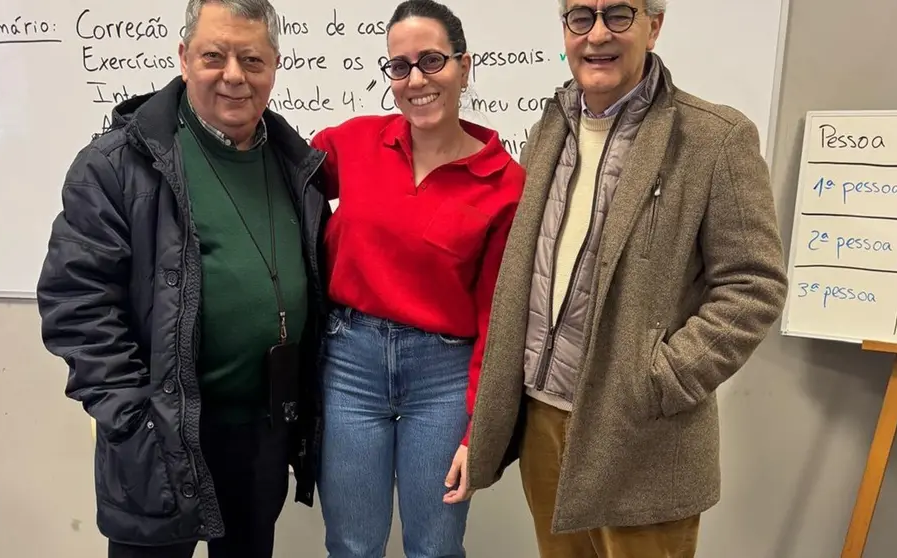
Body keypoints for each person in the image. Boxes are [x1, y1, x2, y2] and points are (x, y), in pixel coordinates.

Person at [466, 1, 789, 557]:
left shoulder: (714, 137)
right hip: (543, 418)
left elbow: (754, 283)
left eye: (618, 14)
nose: (597, 35)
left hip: (640, 433)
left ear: (653, 26)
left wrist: (660, 378)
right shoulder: (550, 130)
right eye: (581, 17)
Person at [35, 0, 330, 556]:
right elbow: (75, 304)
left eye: (252, 59)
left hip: (261, 436)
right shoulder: (117, 164)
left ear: (275, 64)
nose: (234, 76)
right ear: (184, 58)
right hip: (160, 437)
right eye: (214, 56)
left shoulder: (297, 164)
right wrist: (134, 420)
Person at [307, 1, 525, 556]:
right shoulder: (352, 143)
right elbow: (272, 177)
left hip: (443, 381)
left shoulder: (505, 183)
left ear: (464, 66)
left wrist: (479, 430)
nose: (417, 80)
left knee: (435, 549)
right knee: (352, 547)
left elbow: (496, 318)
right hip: (349, 368)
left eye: (432, 60)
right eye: (400, 66)